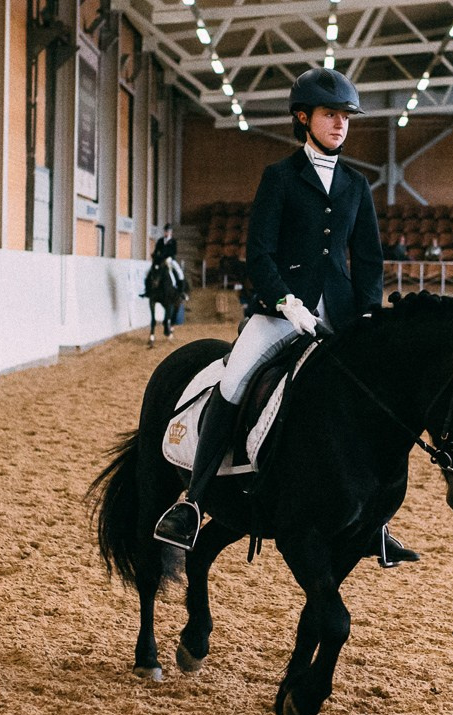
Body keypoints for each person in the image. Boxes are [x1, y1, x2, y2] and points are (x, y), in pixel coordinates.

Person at [152, 67, 418, 568]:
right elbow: (259, 253)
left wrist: (367, 312)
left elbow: (368, 259)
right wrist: (283, 301)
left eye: (345, 117)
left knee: (376, 397)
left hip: (339, 313)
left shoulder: (358, 186)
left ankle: (376, 520)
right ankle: (193, 501)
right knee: (234, 381)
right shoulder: (279, 177)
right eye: (329, 115)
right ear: (304, 118)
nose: (340, 124)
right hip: (280, 313)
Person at [141, 223, 179, 297]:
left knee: (179, 272)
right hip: (160, 260)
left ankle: (179, 290)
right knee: (148, 272)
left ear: (171, 232)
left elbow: (174, 252)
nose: (167, 233)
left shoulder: (173, 241)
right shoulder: (160, 241)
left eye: (168, 231)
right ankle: (147, 290)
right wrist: (154, 255)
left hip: (169, 260)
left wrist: (169, 257)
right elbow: (156, 250)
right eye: (165, 231)